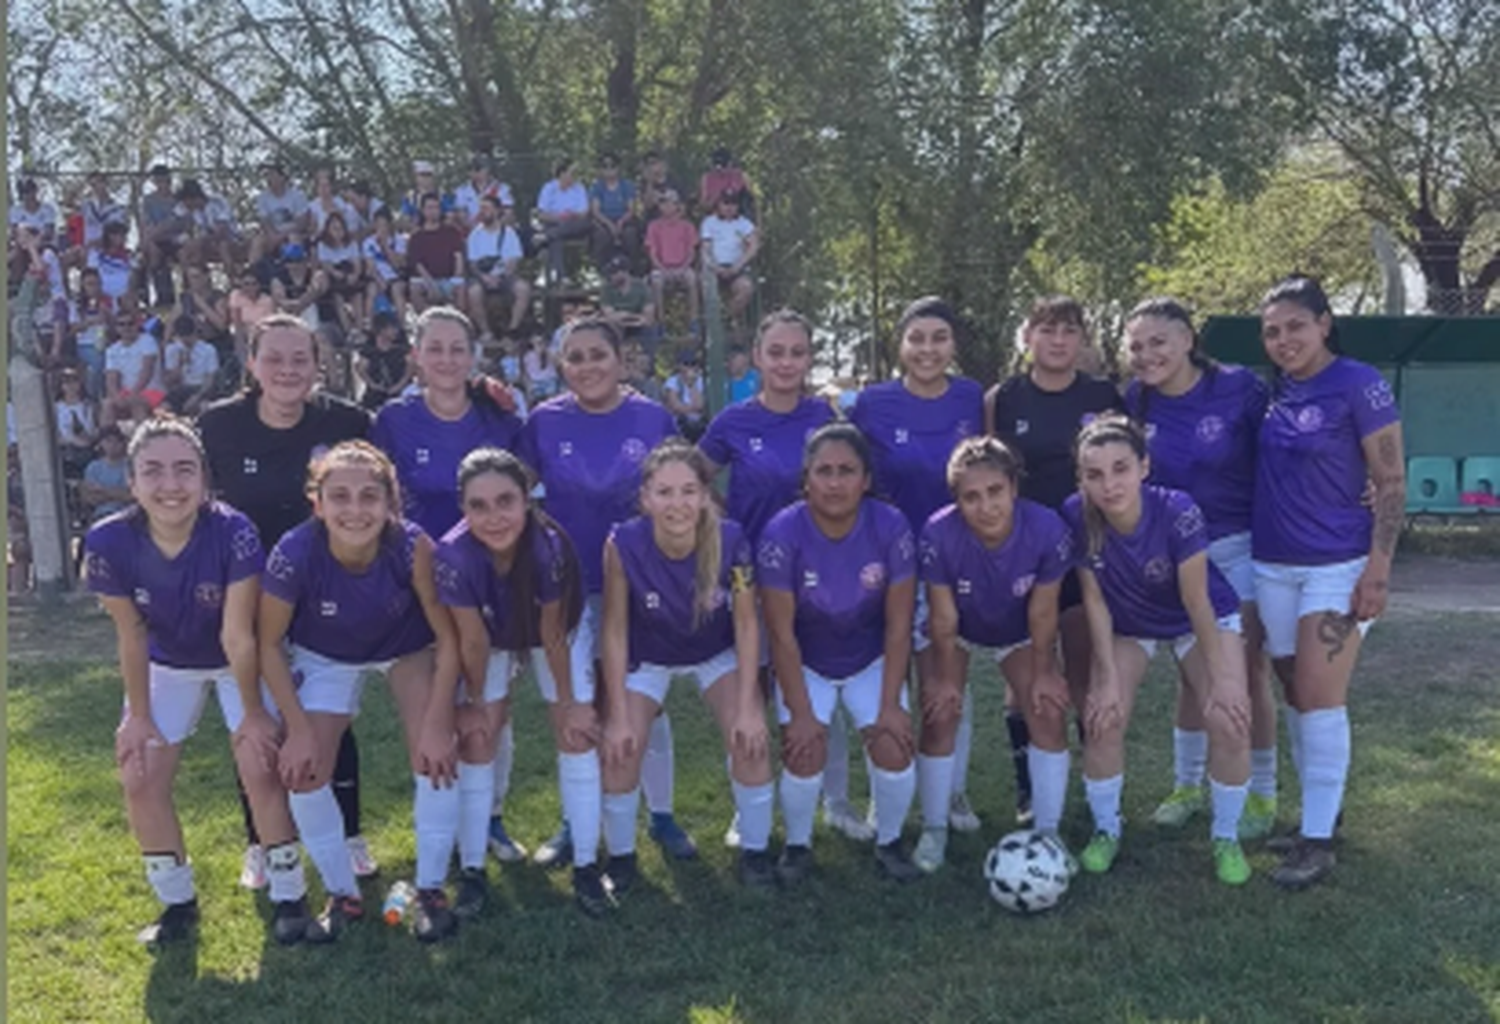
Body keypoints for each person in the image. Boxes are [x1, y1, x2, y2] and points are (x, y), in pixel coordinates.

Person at [83, 418, 317, 946]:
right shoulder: (108, 540)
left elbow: (238, 636)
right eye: (154, 471)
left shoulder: (232, 529)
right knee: (140, 774)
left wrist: (256, 713)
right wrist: (138, 717)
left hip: (237, 659)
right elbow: (132, 634)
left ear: (205, 479)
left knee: (260, 766)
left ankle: (290, 896)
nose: (171, 485)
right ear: (133, 480)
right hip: (167, 663)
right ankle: (176, 905)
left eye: (185, 469)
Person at [197, 314, 374, 890]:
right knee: (254, 718)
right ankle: (261, 839)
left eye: (301, 358)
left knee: (331, 715)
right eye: (274, 358)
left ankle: (348, 835)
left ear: (318, 364)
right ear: (251, 364)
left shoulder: (348, 421)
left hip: (327, 594)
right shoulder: (218, 425)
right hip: (247, 596)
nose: (288, 370)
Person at [258, 441, 458, 942]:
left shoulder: (412, 545)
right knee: (304, 770)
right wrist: (298, 730)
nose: (354, 510)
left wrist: (437, 724)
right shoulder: (295, 551)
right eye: (339, 496)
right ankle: (342, 894)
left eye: (369, 496)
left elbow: (449, 636)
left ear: (391, 502)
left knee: (435, 756)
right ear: (317, 502)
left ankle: (431, 889)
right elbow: (266, 643)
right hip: (323, 654)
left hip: (404, 648)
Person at [517, 317, 693, 866]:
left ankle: (661, 815)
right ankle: (576, 821)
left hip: (643, 585)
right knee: (581, 703)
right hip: (567, 588)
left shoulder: (652, 417)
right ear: (560, 366)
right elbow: (513, 494)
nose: (587, 366)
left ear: (622, 360)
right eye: (574, 357)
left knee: (646, 701)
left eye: (598, 354)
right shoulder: (543, 422)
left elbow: (678, 493)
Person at [1251, 275, 1404, 889]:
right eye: (1272, 331)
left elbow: (1390, 481)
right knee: (1295, 690)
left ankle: (1316, 842)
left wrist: (1379, 570)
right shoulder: (1276, 391)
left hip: (1335, 563)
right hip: (1272, 565)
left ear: (1324, 324)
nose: (1284, 339)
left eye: (1295, 325)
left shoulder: (1358, 383)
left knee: (1319, 693)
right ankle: (1320, 813)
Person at [1062, 414, 1253, 884]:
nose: (1109, 484)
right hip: (1130, 622)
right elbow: (1095, 601)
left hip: (1199, 616)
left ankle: (1225, 836)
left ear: (1144, 467)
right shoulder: (1076, 513)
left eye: (1121, 468)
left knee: (1228, 718)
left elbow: (1195, 599)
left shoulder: (1178, 509)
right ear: (1081, 479)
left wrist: (1226, 680)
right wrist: (1105, 681)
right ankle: (1107, 830)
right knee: (1102, 718)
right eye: (1094, 474)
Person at [1122, 298, 1279, 839]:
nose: (1146, 355)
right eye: (1137, 346)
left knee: (1246, 670)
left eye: (1158, 341)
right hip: (1174, 556)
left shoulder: (1241, 388)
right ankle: (1188, 784)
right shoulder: (1134, 401)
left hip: (1236, 548)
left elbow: (1281, 457)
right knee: (1191, 675)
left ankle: (1261, 792)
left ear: (1188, 338)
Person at [436, 448, 611, 914]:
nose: (494, 517)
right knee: (478, 738)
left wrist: (571, 702)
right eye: (479, 506)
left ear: (528, 500)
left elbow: (552, 635)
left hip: (554, 631)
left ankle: (588, 866)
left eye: (505, 501)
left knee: (575, 734)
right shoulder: (453, 554)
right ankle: (472, 867)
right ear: (462, 507)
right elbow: (472, 641)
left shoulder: (547, 546)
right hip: (492, 635)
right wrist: (473, 702)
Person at [600, 441, 774, 888]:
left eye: (688, 491)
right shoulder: (623, 543)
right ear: (645, 498)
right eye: (664, 492)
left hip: (714, 652)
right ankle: (620, 859)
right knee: (620, 750)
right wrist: (617, 714)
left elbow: (746, 622)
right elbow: (615, 630)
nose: (677, 504)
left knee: (750, 739)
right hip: (650, 654)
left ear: (705, 495)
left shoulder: (731, 539)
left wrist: (751, 705)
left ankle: (756, 853)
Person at [758, 422, 922, 883]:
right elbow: (781, 633)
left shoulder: (890, 526)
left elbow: (898, 625)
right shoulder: (782, 532)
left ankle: (889, 841)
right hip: (807, 659)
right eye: (823, 471)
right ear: (806, 478)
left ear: (866, 479)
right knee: (805, 748)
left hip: (869, 657)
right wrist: (802, 712)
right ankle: (797, 846)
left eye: (846, 470)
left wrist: (890, 705)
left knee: (892, 745)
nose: (834, 482)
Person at [850, 298, 989, 833]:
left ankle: (952, 791)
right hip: (884, 560)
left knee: (949, 678)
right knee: (883, 680)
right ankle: (882, 793)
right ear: (900, 345)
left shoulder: (974, 398)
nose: (927, 349)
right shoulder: (873, 402)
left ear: (953, 345)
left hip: (955, 562)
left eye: (938, 338)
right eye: (917, 338)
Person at [986, 295, 1125, 815]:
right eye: (1047, 329)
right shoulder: (1004, 398)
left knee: (1085, 668)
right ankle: (1029, 789)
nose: (1058, 340)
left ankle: (1096, 786)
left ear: (1081, 339)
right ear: (1028, 337)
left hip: (1087, 549)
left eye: (1069, 330)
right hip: (1023, 553)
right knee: (1026, 674)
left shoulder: (1103, 394)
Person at [914, 437, 1074, 872]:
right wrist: (945, 679)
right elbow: (943, 618)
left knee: (1045, 710)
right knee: (940, 711)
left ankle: (1048, 832)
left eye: (995, 492)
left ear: (1013, 488)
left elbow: (1043, 611)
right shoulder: (938, 533)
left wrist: (1043, 671)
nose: (986, 506)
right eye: (971, 497)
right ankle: (934, 828)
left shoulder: (1047, 529)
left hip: (1018, 627)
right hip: (959, 627)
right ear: (957, 500)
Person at [372, 307, 523, 554]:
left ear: (472, 357)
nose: (447, 359)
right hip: (416, 570)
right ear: (416, 355)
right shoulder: (393, 420)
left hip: (493, 570)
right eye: (434, 349)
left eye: (457, 349)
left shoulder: (500, 418)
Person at [465, 195, 530, 338]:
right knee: (474, 292)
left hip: (504, 275)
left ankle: (513, 329)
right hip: (482, 277)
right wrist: (484, 277)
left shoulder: (509, 233)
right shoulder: (475, 235)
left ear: (497, 210)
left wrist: (501, 276)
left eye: (487, 208)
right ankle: (485, 331)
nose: (483, 211)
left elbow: (513, 260)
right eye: (481, 208)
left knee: (523, 289)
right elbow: (472, 264)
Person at [698, 190, 758, 337]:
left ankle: (725, 319)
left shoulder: (744, 224)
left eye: (733, 204)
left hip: (736, 267)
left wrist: (737, 266)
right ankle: (708, 324)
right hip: (713, 269)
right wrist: (715, 267)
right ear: (719, 205)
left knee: (746, 288)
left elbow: (753, 247)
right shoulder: (709, 223)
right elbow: (705, 249)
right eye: (725, 203)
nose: (729, 207)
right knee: (706, 287)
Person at [407, 193, 467, 314]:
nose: (433, 211)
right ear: (423, 210)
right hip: (426, 280)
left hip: (449, 279)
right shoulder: (416, 237)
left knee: (461, 287)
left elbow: (458, 258)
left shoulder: (452, 232)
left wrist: (455, 279)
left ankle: (458, 323)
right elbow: (417, 264)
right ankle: (429, 322)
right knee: (414, 288)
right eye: (429, 207)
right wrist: (430, 283)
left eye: (436, 207)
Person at [535, 159, 592, 284]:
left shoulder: (579, 188)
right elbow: (541, 214)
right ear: (562, 174)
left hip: (575, 224)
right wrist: (559, 217)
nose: (574, 176)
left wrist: (572, 215)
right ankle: (561, 276)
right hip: (555, 222)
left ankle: (547, 237)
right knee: (556, 238)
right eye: (572, 173)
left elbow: (584, 213)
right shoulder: (548, 188)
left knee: (583, 225)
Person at [102, 316, 165, 428]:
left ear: (137, 325)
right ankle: (108, 441)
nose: (126, 327)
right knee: (107, 404)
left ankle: (142, 442)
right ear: (116, 328)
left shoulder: (148, 341)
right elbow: (111, 378)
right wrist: (117, 397)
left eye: (130, 323)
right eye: (121, 324)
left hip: (153, 391)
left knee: (136, 403)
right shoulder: (112, 350)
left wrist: (133, 394)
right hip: (126, 393)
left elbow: (147, 372)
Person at [162, 315, 222, 417]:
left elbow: (210, 381)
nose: (186, 340)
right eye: (182, 336)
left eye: (188, 335)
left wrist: (197, 397)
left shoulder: (208, 350)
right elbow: (168, 382)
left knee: (201, 407)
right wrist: (180, 365)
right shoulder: (172, 349)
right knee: (164, 408)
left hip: (200, 388)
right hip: (181, 388)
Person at [590, 152, 641, 269]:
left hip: (624, 219)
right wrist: (609, 224)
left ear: (618, 168)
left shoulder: (627, 185)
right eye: (605, 166)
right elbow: (595, 211)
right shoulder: (597, 187)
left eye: (612, 166)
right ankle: (603, 269)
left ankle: (632, 268)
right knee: (601, 236)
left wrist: (621, 222)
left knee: (630, 234)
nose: (609, 170)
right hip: (603, 220)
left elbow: (631, 209)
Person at [354, 312, 413, 411]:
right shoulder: (369, 346)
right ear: (381, 329)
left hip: (401, 390)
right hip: (377, 392)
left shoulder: (401, 344)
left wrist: (399, 386)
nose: (396, 331)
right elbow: (360, 368)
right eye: (392, 328)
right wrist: (373, 385)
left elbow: (411, 366)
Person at [361, 206, 409, 325]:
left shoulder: (399, 240)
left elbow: (399, 264)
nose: (381, 228)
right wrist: (380, 280)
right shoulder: (368, 243)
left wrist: (385, 247)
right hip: (377, 277)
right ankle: (369, 325)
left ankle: (401, 325)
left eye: (384, 224)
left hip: (395, 276)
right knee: (371, 291)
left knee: (397, 291)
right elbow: (370, 266)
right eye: (378, 224)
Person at [81, 424, 133, 522]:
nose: (112, 445)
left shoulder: (130, 466)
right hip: (100, 516)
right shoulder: (93, 468)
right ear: (101, 443)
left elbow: (131, 496)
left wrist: (102, 490)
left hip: (127, 516)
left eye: (116, 441)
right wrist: (117, 493)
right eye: (108, 441)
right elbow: (91, 499)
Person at [56, 369, 99, 478]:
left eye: (74, 381)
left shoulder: (89, 405)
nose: (71, 386)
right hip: (66, 448)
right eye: (66, 382)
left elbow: (93, 429)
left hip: (88, 446)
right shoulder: (55, 408)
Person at [661, 350, 707, 441]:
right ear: (679, 366)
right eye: (686, 364)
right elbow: (675, 407)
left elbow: (700, 405)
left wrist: (692, 384)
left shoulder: (701, 381)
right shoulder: (672, 382)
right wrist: (692, 409)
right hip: (679, 426)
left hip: (699, 426)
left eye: (693, 364)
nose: (689, 367)